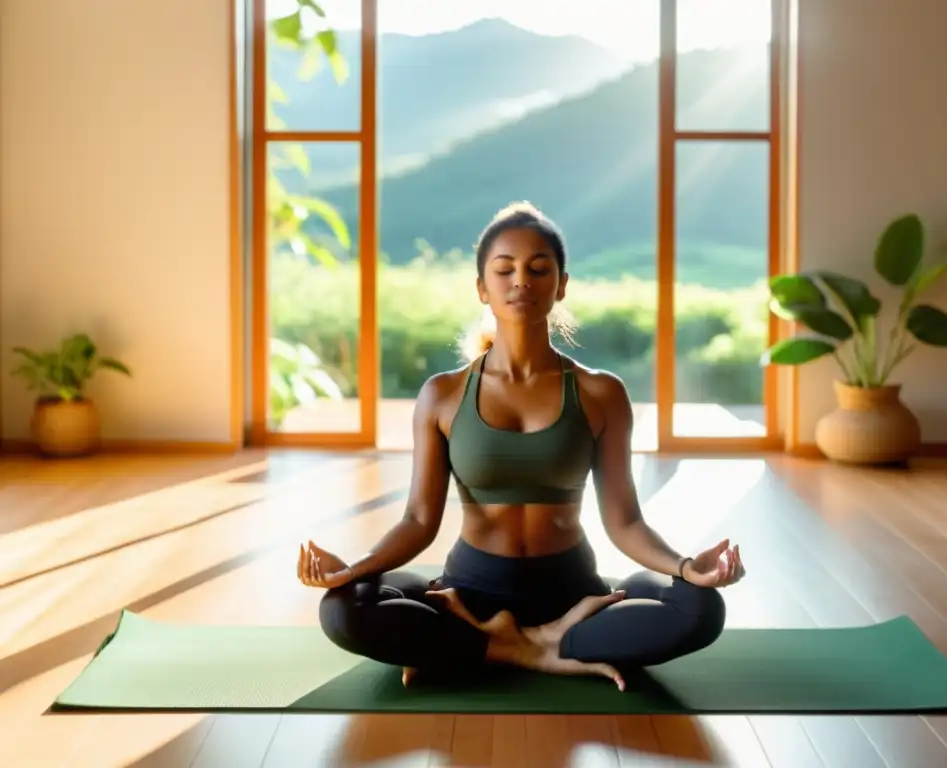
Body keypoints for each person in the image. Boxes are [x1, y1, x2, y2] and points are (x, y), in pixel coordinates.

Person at [296, 201, 745, 691]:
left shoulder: (601, 393)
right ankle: (528, 648)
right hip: (469, 594)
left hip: (571, 596)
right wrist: (355, 569)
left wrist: (685, 567)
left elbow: (625, 521)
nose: (521, 281)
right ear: (482, 288)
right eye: (504, 269)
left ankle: (485, 647)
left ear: (561, 284)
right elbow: (419, 521)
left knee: (701, 606)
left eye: (538, 269)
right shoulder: (443, 395)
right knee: (342, 608)